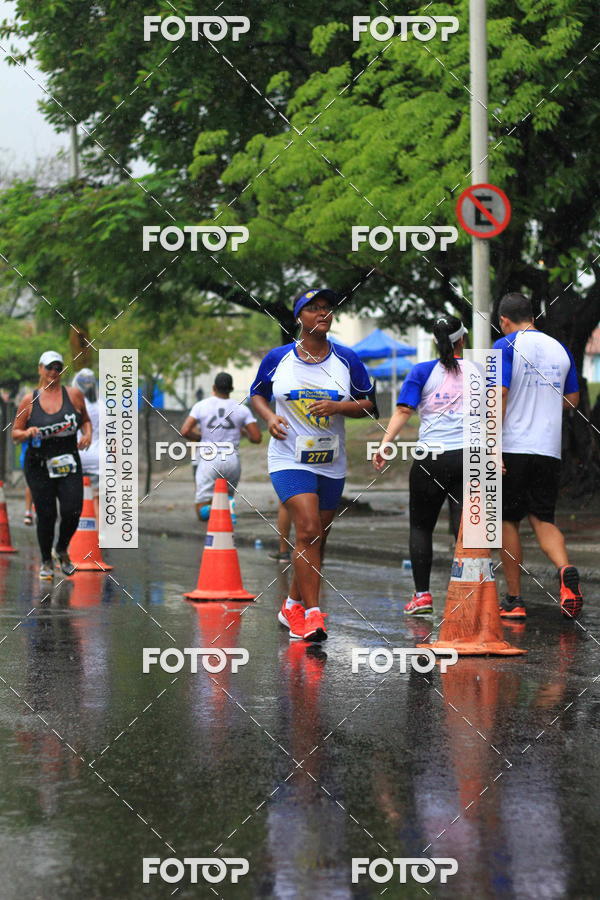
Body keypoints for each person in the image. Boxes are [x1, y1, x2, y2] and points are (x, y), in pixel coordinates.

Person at [250, 288, 376, 642]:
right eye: (313, 308)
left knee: (316, 538)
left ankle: (291, 603)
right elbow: (257, 393)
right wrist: (269, 418)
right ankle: (313, 616)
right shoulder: (278, 358)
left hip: (330, 461)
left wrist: (339, 408)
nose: (323, 313)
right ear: (299, 317)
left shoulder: (347, 359)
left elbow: (370, 404)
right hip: (287, 457)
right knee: (306, 529)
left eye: (327, 308)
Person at [493, 292, 582, 619]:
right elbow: (572, 399)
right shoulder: (559, 349)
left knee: (508, 520)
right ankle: (565, 569)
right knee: (544, 518)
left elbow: (499, 393)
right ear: (532, 316)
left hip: (513, 447)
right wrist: (543, 406)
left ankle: (514, 600)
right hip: (548, 449)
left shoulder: (503, 346)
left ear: (504, 320)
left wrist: (493, 444)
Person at [373, 315, 468, 615]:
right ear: (462, 340)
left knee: (421, 526)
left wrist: (384, 443)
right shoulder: (479, 371)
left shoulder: (422, 371)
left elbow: (403, 410)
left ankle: (423, 596)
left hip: (431, 458)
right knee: (464, 527)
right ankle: (468, 593)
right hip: (470, 457)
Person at [12, 351, 91, 579]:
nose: (53, 373)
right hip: (38, 463)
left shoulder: (74, 395)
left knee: (73, 510)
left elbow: (85, 420)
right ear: (40, 369)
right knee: (46, 514)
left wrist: (87, 435)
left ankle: (61, 550)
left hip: (67, 458)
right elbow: (14, 434)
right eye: (49, 368)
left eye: (58, 368)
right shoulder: (30, 400)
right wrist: (26, 432)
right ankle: (46, 560)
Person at [180, 372, 261, 520]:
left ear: (214, 387)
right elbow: (256, 437)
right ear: (231, 389)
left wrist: (201, 437)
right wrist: (242, 432)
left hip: (209, 459)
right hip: (232, 460)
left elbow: (185, 430)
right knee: (225, 497)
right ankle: (227, 508)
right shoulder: (242, 409)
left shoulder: (200, 406)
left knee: (202, 509)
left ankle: (214, 513)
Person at [73, 368, 100, 523]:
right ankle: (98, 537)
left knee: (76, 500)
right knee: (98, 499)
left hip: (78, 457)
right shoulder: (104, 406)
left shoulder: (73, 405)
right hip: (100, 461)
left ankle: (77, 539)